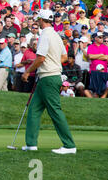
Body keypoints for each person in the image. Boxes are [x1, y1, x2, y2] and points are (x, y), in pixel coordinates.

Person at [21, 9, 76, 154]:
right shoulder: (56, 35)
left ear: (41, 20)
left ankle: (69, 145)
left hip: (49, 78)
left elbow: (40, 58)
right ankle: (31, 144)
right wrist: (51, 63)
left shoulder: (45, 35)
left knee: (55, 111)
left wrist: (27, 71)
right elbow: (64, 57)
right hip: (48, 76)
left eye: (38, 19)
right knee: (34, 109)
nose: (37, 21)